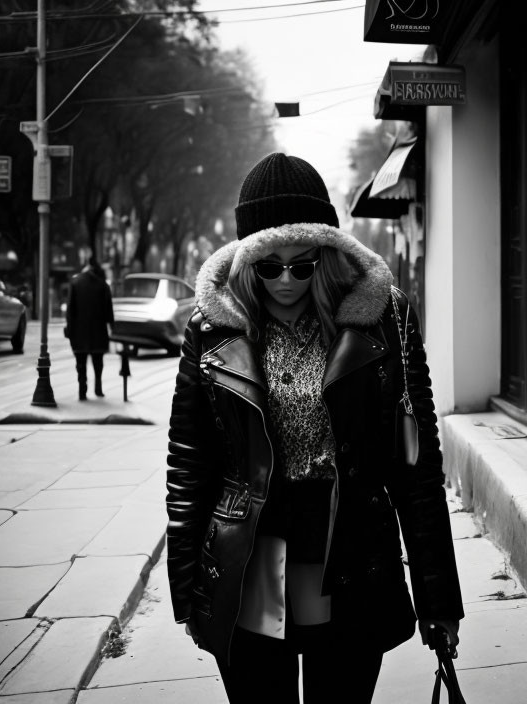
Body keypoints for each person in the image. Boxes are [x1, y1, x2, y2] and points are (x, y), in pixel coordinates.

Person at [165, 153, 463, 703]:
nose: (285, 279)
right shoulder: (211, 331)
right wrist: (188, 589)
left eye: (302, 265)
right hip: (252, 563)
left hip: (348, 558)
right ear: (243, 260)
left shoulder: (380, 321)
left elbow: (417, 469)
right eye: (267, 265)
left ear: (326, 254)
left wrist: (438, 597)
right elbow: (190, 462)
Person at [64, 257, 114, 400]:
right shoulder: (103, 285)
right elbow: (108, 311)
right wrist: (112, 326)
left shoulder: (75, 283)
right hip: (98, 331)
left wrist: (69, 328)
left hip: (79, 331)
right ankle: (98, 387)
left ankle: (82, 390)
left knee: (80, 363)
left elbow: (70, 310)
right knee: (98, 362)